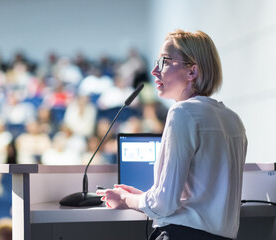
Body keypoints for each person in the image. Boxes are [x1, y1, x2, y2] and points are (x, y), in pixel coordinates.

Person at [97, 30, 248, 240]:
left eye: (164, 62)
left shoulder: (182, 113)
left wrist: (125, 199)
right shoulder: (233, 119)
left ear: (192, 71)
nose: (154, 71)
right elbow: (200, 199)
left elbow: (164, 204)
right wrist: (143, 197)